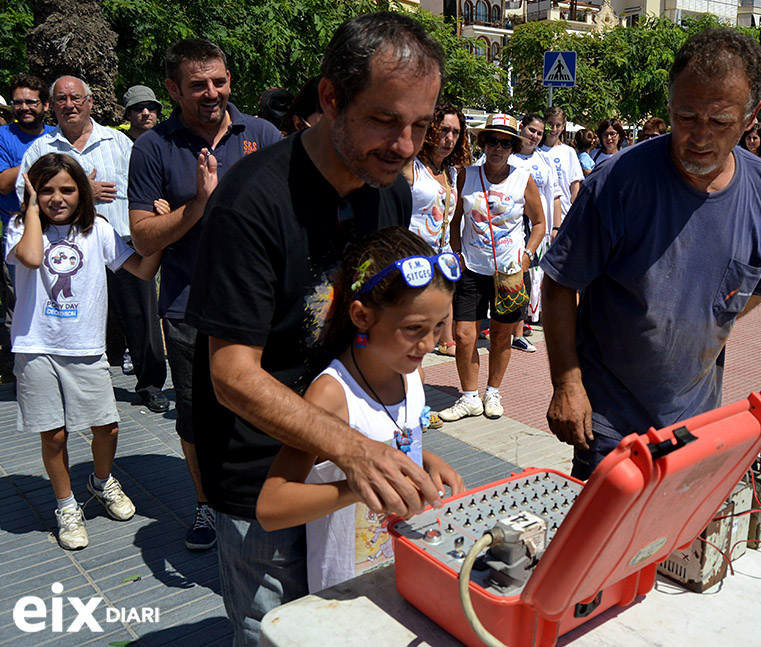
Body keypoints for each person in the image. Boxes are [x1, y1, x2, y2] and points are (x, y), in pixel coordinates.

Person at [183, 13, 446, 645]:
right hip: (263, 487)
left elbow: (377, 333)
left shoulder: (388, 189)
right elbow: (231, 375)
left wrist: (402, 446)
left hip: (348, 473)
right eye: (386, 119)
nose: (407, 145)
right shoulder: (251, 202)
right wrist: (357, 451)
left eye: (421, 125)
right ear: (331, 98)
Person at [541, 27, 761, 479]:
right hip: (610, 424)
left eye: (719, 121)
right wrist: (567, 382)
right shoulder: (618, 182)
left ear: (751, 116)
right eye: (685, 116)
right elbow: (560, 282)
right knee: (606, 546)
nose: (699, 136)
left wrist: (717, 311)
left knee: (674, 546)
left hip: (696, 422)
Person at [127, 38, 282, 553]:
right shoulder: (153, 147)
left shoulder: (261, 134)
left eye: (219, 80)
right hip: (188, 305)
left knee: (266, 405)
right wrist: (197, 207)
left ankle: (268, 495)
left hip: (262, 303)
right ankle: (205, 504)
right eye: (198, 85)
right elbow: (146, 237)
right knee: (196, 414)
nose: (212, 92)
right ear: (173, 89)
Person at [256, 227, 466, 592]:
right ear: (361, 316)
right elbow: (272, 507)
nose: (429, 344)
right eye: (415, 328)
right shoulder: (332, 395)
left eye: (438, 326)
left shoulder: (409, 372)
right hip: (345, 590)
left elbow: (387, 438)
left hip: (404, 568)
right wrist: (359, 487)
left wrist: (426, 459)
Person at [6, 153, 161, 549]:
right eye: (46, 190)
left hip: (86, 347)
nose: (57, 198)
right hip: (36, 345)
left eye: (67, 189)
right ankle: (66, 505)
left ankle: (101, 480)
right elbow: (33, 258)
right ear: (33, 192)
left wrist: (162, 231)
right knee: (54, 435)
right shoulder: (20, 227)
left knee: (107, 427)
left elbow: (142, 270)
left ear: (82, 193)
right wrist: (29, 208)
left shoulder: (98, 231)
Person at [15, 76, 170, 416]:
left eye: (75, 98)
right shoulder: (41, 149)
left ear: (89, 102)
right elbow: (22, 196)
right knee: (73, 317)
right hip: (66, 249)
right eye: (60, 99)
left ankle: (151, 385)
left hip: (120, 240)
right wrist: (84, 192)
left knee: (141, 318)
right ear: (51, 105)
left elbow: (145, 185)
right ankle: (71, 386)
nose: (69, 104)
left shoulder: (119, 142)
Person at [438, 113, 545, 422]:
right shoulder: (466, 175)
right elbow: (455, 219)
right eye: (492, 141)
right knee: (464, 333)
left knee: (501, 336)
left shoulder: (523, 179)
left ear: (513, 147)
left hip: (509, 273)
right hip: (472, 268)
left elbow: (539, 223)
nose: (498, 148)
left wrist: (527, 255)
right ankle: (470, 398)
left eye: (505, 143)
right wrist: (457, 253)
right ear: (483, 142)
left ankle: (492, 392)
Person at [402, 104, 467, 358]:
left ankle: (445, 340)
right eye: (443, 130)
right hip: (411, 253)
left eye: (455, 132)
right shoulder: (412, 166)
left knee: (443, 300)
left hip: (442, 253)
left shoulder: (452, 172)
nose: (449, 138)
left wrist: (458, 250)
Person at [0, 75, 55, 350]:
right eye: (18, 102)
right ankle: (22, 369)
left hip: (59, 233)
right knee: (20, 303)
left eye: (31, 102)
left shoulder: (58, 135)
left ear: (45, 104)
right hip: (17, 231)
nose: (24, 108)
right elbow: (3, 183)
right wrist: (39, 156)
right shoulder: (3, 137)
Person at [512, 112, 561, 344]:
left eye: (540, 134)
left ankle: (520, 325)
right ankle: (507, 325)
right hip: (510, 225)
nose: (535, 137)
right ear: (521, 128)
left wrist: (555, 227)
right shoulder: (507, 155)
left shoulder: (543, 160)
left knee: (527, 275)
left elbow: (555, 196)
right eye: (532, 131)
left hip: (536, 227)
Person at [539, 106, 583, 227]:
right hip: (542, 215)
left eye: (558, 125)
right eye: (550, 124)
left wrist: (574, 211)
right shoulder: (537, 152)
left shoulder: (569, 152)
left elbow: (575, 184)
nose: (554, 129)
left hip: (565, 214)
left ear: (563, 127)